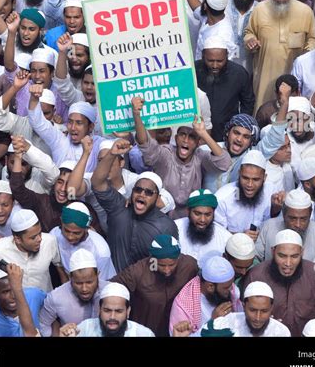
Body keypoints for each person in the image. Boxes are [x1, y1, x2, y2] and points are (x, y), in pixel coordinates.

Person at [132, 98, 232, 217]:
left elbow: (225, 163)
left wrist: (203, 133)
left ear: (197, 142)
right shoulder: (166, 153)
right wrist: (137, 115)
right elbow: (146, 144)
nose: (186, 140)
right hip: (161, 214)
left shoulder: (199, 156)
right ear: (176, 138)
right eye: (182, 135)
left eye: (192, 137)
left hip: (189, 217)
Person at [90, 139, 178, 272]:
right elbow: (97, 182)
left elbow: (167, 264)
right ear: (132, 192)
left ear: (157, 198)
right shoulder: (118, 208)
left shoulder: (166, 226)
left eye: (148, 192)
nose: (142, 194)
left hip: (144, 289)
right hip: (114, 286)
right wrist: (111, 154)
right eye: (138, 190)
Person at [245, 229, 315, 337]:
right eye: (282, 256)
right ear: (273, 251)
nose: (288, 263)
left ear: (302, 252)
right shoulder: (256, 275)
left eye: (294, 256)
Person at [244, 0, 315, 110]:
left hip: (293, 75)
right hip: (265, 75)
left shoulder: (305, 11)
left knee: (292, 113)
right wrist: (251, 40)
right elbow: (249, 32)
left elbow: (312, 39)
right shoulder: (260, 9)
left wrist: (307, 55)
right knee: (263, 110)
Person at [112, 234, 198, 337]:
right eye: (161, 265)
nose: (167, 270)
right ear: (152, 259)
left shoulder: (189, 266)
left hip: (177, 331)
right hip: (145, 330)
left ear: (178, 258)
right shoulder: (137, 272)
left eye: (171, 265)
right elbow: (111, 288)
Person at [255, 189, 315, 277]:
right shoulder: (268, 227)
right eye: (292, 218)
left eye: (303, 219)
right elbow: (255, 261)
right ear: (284, 213)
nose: (298, 224)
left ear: (310, 213)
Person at [195, 37, 255, 141]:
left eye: (219, 61)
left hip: (226, 134)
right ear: (203, 56)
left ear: (226, 56)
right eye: (210, 61)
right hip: (198, 131)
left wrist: (238, 127)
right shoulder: (194, 70)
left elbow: (248, 103)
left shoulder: (239, 73)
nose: (214, 65)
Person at [0, 209, 63, 292]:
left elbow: (60, 268)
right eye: (33, 237)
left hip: (45, 302)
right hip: (15, 303)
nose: (40, 239)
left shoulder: (49, 241)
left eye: (40, 233)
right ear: (17, 239)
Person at [169, 254, 242, 337]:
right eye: (226, 288)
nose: (231, 290)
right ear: (210, 287)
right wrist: (212, 323)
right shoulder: (183, 305)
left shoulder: (231, 291)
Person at [39, 249, 103, 337]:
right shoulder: (56, 297)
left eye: (89, 282)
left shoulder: (110, 292)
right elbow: (43, 325)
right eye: (78, 283)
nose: (84, 288)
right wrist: (58, 334)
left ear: (98, 275)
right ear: (70, 277)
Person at [0, 263, 46, 337]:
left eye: (15, 289)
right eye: (6, 291)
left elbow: (54, 309)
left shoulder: (34, 295)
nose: (13, 296)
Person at [200, 281, 291, 337]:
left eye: (264, 311)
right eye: (252, 310)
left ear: (271, 308)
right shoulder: (226, 323)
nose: (258, 318)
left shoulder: (281, 332)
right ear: (244, 306)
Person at [66, 282, 155, 338]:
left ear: (128, 312)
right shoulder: (85, 329)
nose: (112, 317)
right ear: (99, 310)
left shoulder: (143, 334)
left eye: (118, 311)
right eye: (107, 310)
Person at [174, 189, 232, 265]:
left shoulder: (225, 238)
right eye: (197, 214)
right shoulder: (174, 228)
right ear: (188, 211)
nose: (202, 220)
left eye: (208, 215)